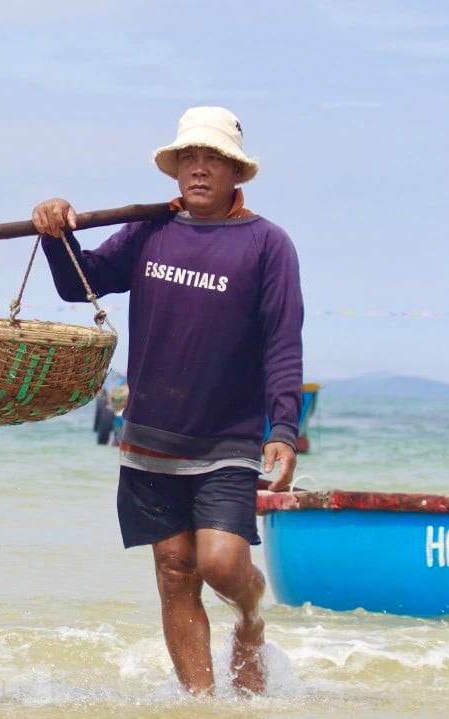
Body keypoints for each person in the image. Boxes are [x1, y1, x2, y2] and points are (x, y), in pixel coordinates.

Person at [30, 107, 303, 697]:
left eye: (214, 160)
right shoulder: (151, 229)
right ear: (176, 167)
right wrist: (57, 234)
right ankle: (201, 706)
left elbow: (283, 341)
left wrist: (283, 428)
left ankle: (251, 621)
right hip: (150, 436)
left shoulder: (267, 245)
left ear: (237, 173)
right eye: (190, 158)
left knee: (222, 564)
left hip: (228, 437)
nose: (199, 169)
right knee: (175, 571)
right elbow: (81, 282)